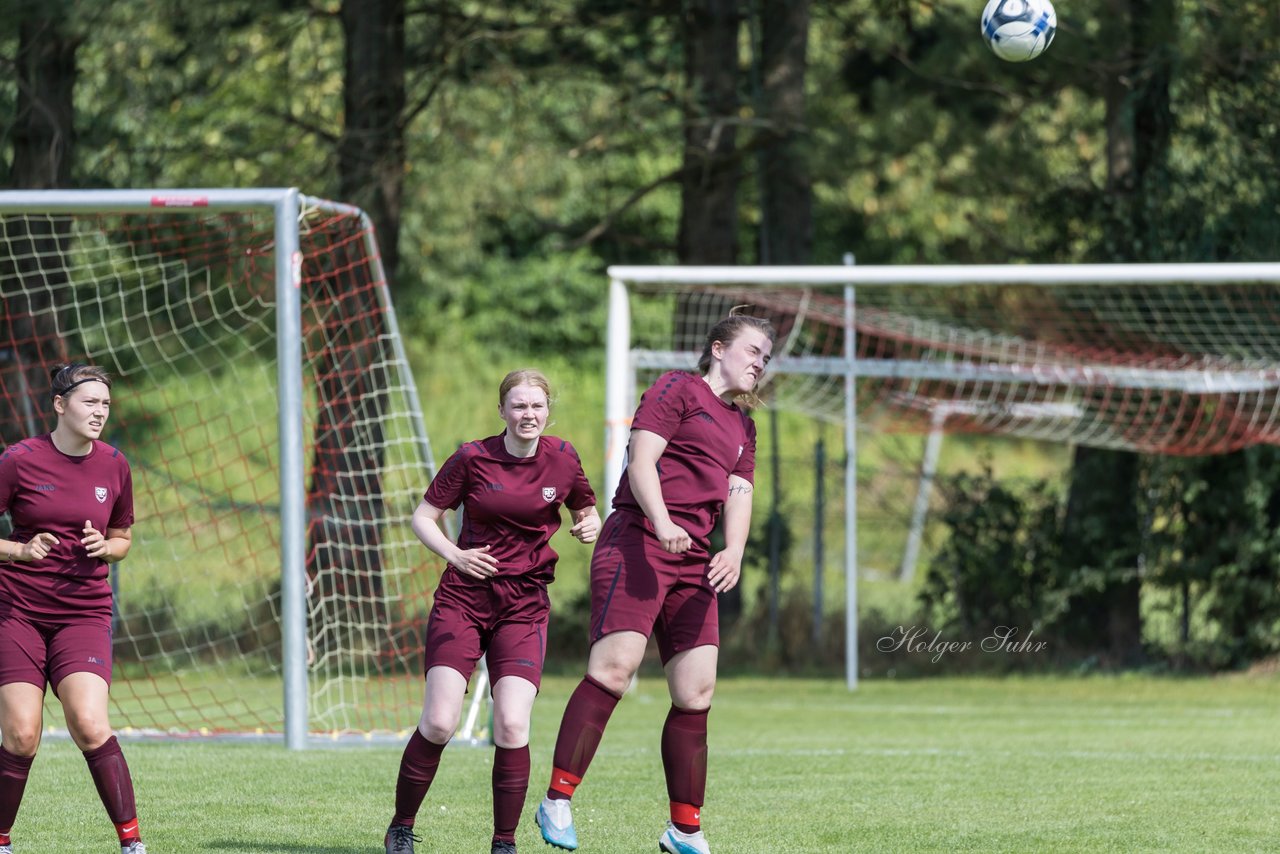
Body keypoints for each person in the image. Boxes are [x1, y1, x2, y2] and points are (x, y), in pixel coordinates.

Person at [536, 313, 775, 854]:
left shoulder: (744, 426)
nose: (761, 362)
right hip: (640, 537)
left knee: (696, 692)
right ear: (719, 348)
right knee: (614, 670)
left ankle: (684, 829)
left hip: (693, 558)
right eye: (754, 350)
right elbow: (640, 459)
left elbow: (740, 493)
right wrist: (665, 521)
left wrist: (733, 550)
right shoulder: (677, 388)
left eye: (766, 356)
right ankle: (556, 800)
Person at [385, 369, 600, 854]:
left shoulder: (563, 458)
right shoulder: (472, 457)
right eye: (519, 406)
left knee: (511, 725)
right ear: (502, 410)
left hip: (524, 607)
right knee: (440, 721)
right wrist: (455, 555)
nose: (529, 415)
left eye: (537, 406)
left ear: (548, 410)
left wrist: (589, 526)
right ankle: (401, 826)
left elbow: (587, 510)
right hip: (463, 599)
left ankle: (504, 843)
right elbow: (423, 517)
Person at [0, 364, 146, 854]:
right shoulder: (18, 460)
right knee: (22, 734)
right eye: (89, 402)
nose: (99, 412)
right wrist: (20, 551)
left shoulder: (114, 464)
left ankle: (132, 844)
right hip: (16, 611)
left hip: (83, 613)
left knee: (89, 724)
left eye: (105, 404)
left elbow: (123, 538)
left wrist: (106, 547)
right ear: (60, 405)